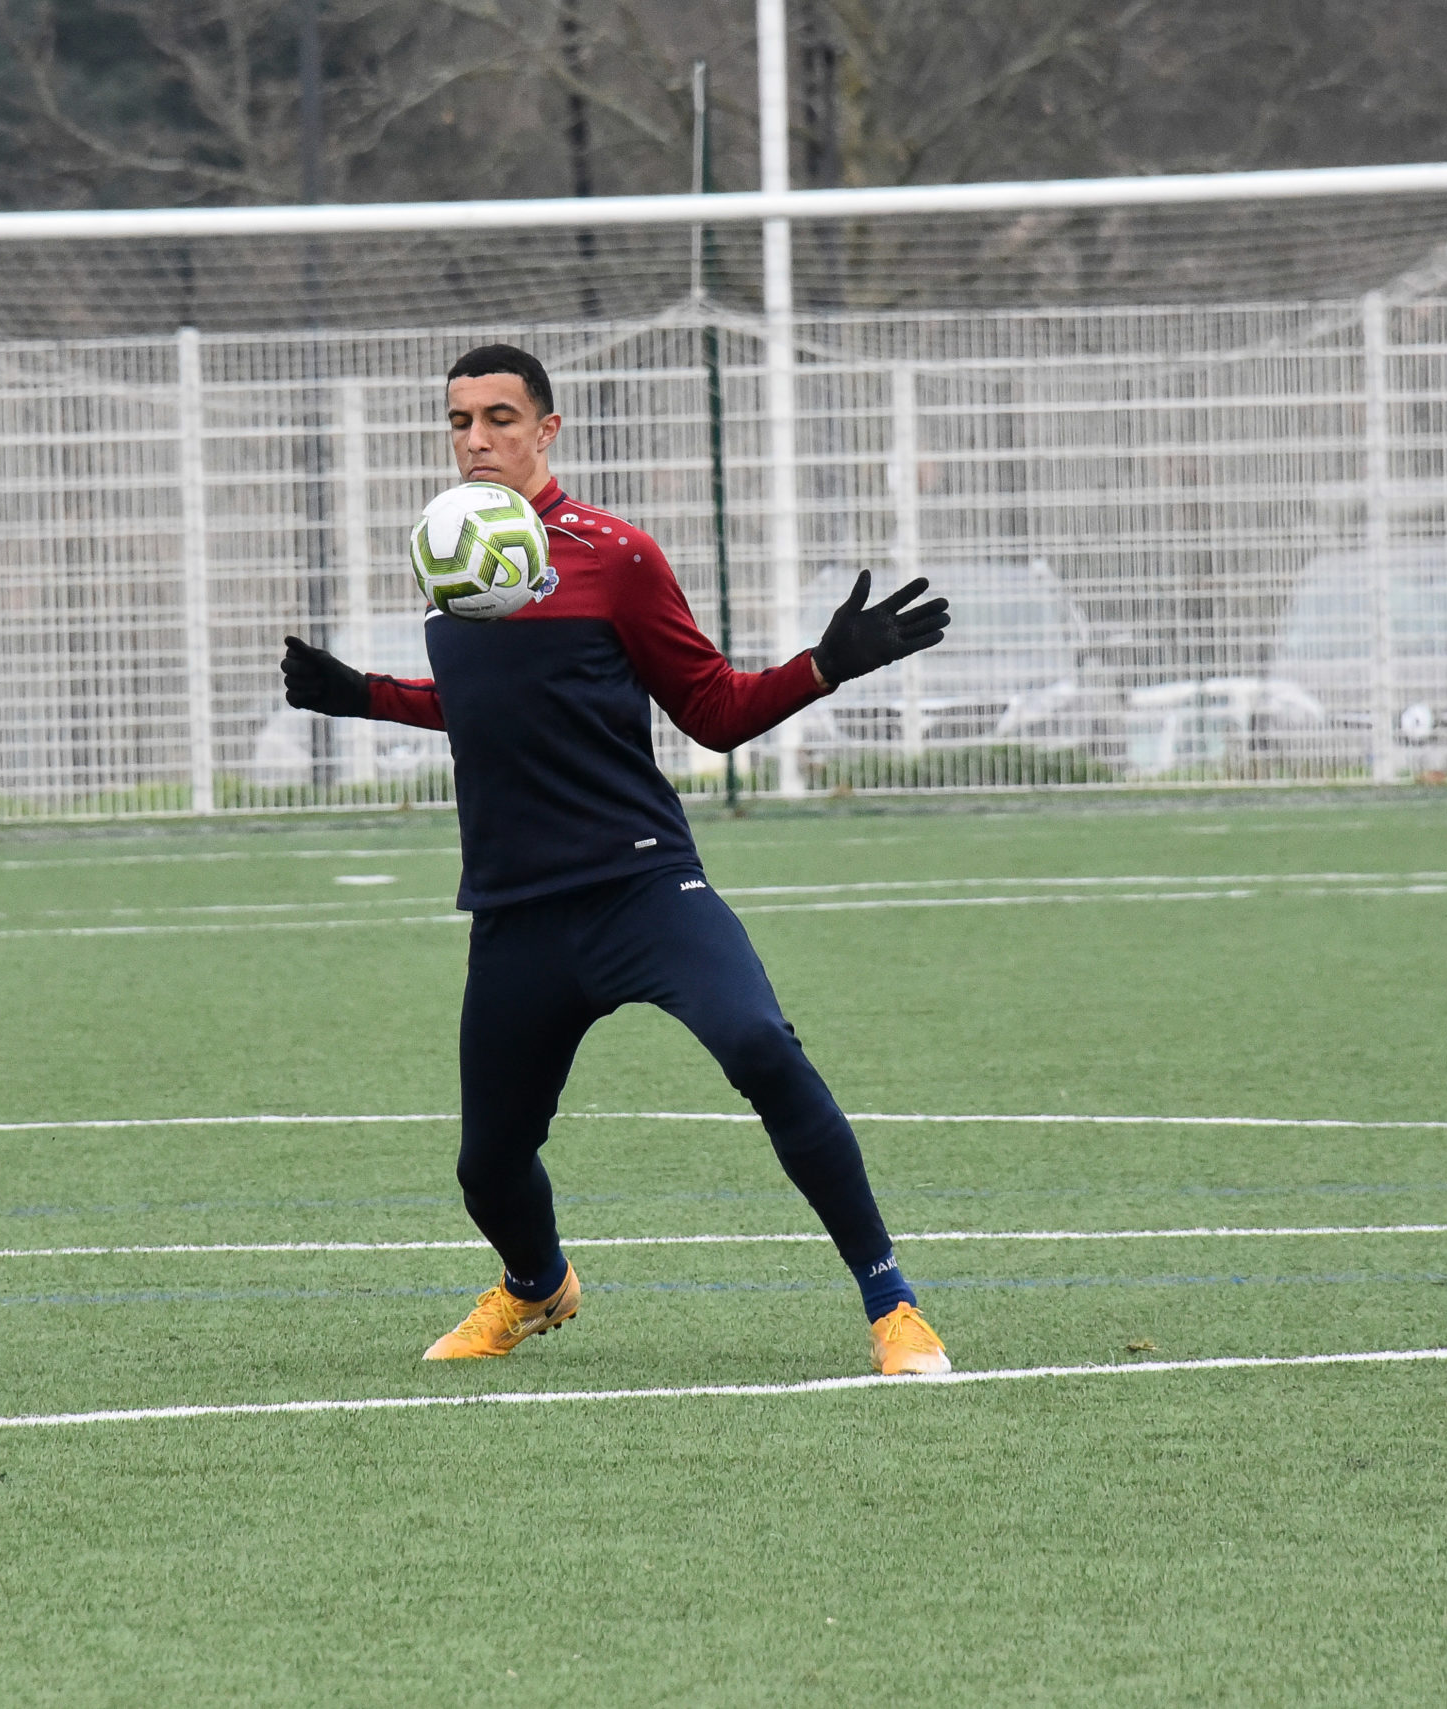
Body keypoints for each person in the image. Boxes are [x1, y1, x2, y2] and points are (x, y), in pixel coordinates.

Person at [278, 343, 953, 1374]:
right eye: (459, 421)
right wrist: (362, 694)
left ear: (547, 430)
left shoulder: (616, 556)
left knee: (761, 1047)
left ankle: (891, 1303)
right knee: (486, 1167)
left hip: (641, 886)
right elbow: (492, 704)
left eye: (500, 417)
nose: (475, 439)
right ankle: (536, 1285)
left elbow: (713, 711)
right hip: (516, 911)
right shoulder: (450, 555)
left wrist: (825, 666)